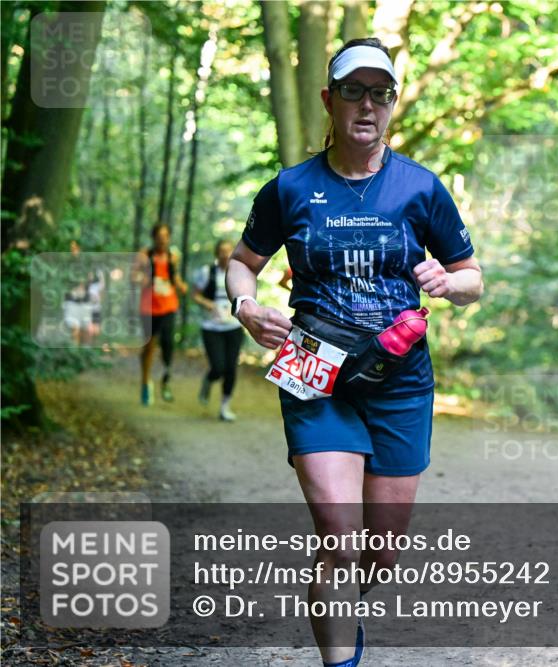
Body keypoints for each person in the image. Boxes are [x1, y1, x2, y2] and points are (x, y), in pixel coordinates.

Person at [227, 37, 483, 667]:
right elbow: (243, 264)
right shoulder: (289, 189)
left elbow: (473, 276)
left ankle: (343, 609)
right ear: (329, 100)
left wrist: (451, 285)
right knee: (340, 541)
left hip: (398, 379)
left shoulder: (421, 188)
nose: (367, 105)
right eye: (353, 91)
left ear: (392, 104)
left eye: (381, 93)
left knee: (382, 552)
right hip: (314, 370)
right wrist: (246, 307)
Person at [134, 223, 187, 405]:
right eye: (159, 235)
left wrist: (181, 285)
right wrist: (145, 278)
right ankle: (145, 383)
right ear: (154, 237)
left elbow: (175, 278)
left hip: (169, 306)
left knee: (168, 345)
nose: (162, 239)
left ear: (169, 237)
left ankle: (165, 381)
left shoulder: (173, 257)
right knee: (149, 347)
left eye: (165, 235)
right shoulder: (145, 256)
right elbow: (133, 278)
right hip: (148, 308)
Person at [192, 239, 244, 421]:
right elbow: (195, 295)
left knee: (231, 368)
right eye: (221, 251)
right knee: (218, 366)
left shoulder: (239, 273)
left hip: (234, 327)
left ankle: (224, 407)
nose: (225, 254)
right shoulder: (207, 272)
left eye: (228, 251)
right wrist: (209, 304)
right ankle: (208, 380)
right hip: (211, 327)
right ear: (217, 254)